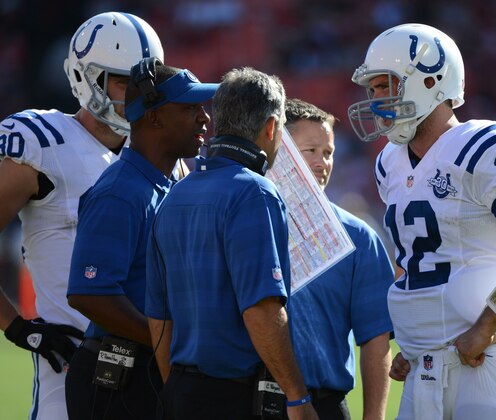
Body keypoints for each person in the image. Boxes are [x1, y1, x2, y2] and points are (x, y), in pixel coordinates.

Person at [348, 23, 496, 419]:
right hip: (420, 371)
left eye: (388, 86)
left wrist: (487, 326)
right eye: (374, 89)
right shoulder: (390, 164)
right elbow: (420, 262)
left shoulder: (480, 148)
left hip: (481, 366)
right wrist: (414, 344)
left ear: (431, 80)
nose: (379, 100)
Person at [0, 12, 163, 420]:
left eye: (145, 84)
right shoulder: (44, 143)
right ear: (85, 77)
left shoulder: (161, 157)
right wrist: (15, 325)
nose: (136, 96)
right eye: (123, 81)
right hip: (72, 367)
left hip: (153, 369)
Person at [144, 67, 318, 420]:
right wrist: (297, 397)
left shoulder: (175, 194)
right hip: (234, 395)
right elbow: (262, 311)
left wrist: (178, 390)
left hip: (179, 391)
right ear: (271, 127)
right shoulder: (255, 192)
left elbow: (158, 317)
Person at [64, 59, 216, 419]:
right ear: (154, 117)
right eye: (190, 108)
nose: (204, 118)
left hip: (144, 371)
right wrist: (169, 342)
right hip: (119, 381)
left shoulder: (165, 185)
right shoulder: (121, 191)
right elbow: (88, 292)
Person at [284, 98, 393, 420]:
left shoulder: (359, 238)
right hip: (243, 399)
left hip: (324, 403)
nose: (323, 163)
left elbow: (376, 339)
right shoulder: (246, 221)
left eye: (328, 153)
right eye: (311, 151)